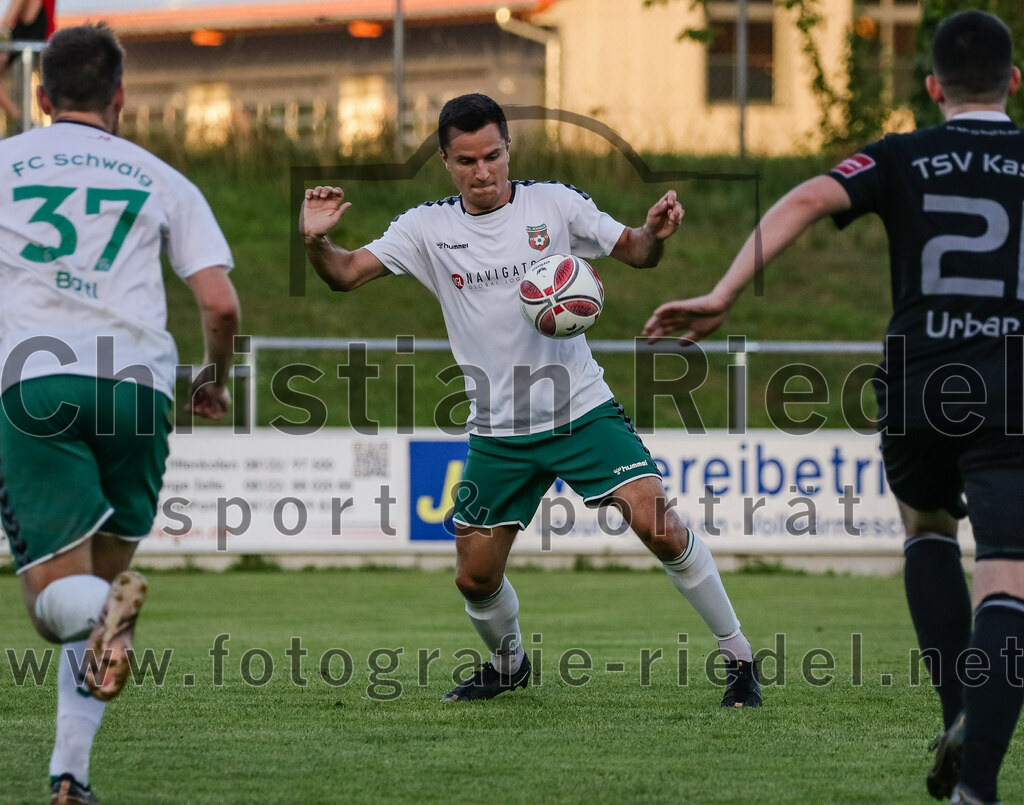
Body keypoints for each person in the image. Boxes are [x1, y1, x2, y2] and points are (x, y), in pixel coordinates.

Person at [644, 10, 1022, 804]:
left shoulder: (903, 152)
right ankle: (976, 782)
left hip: (920, 382)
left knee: (926, 526)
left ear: (932, 87)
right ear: (1014, 81)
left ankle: (958, 709)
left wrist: (722, 292)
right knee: (1008, 579)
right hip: (1012, 386)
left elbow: (810, 199)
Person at [300, 93, 762, 708]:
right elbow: (345, 273)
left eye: (492, 155)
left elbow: (636, 252)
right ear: (445, 160)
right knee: (474, 576)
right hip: (498, 432)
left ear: (508, 149)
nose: (482, 171)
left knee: (660, 526)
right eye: (466, 161)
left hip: (581, 412)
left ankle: (740, 660)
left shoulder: (555, 205)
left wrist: (654, 232)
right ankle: (508, 665)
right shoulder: (426, 228)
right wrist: (313, 242)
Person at [0, 24, 239, 805]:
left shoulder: (4, 166)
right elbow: (219, 301)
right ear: (121, 98)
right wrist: (211, 376)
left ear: (41, 95)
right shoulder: (164, 176)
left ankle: (106, 610)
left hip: (36, 381)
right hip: (138, 386)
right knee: (96, 599)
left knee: (55, 605)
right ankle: (71, 776)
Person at [0, 0, 55, 120]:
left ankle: (20, 119)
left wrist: (4, 32)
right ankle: (20, 119)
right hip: (37, 41)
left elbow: (24, 18)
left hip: (31, 43)